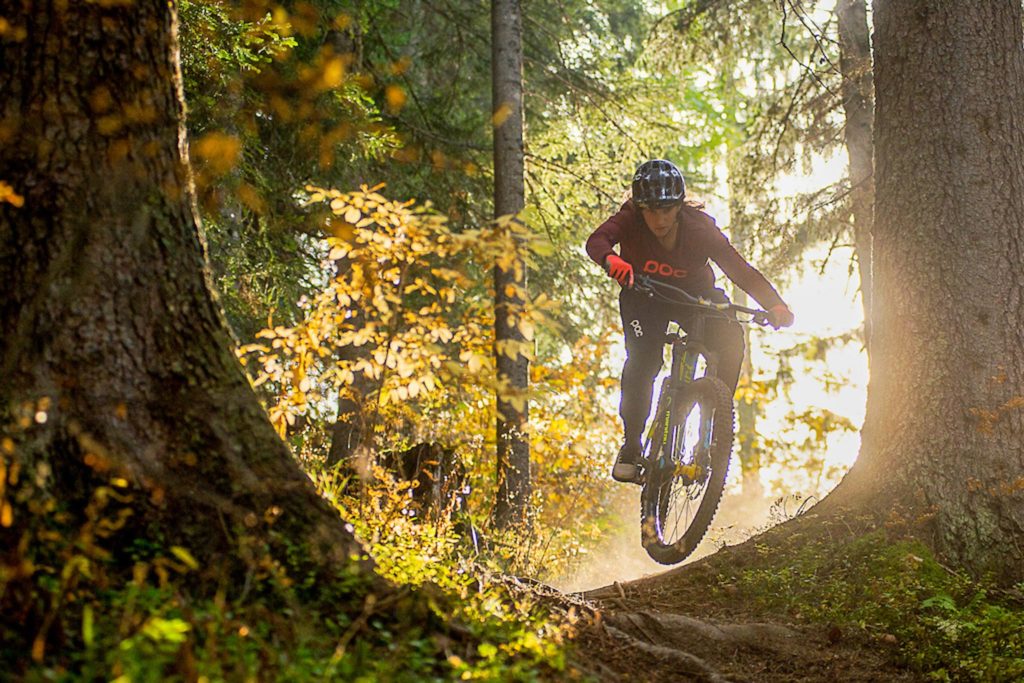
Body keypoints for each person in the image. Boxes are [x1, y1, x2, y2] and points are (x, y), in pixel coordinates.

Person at [586, 159, 794, 483]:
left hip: (695, 298)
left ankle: (714, 429)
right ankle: (631, 445)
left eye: (667, 210)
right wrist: (611, 259)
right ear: (639, 208)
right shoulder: (629, 218)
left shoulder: (699, 228)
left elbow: (739, 270)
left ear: (679, 207)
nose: (659, 218)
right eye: (651, 210)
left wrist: (776, 305)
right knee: (643, 361)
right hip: (644, 299)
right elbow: (597, 241)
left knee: (731, 338)